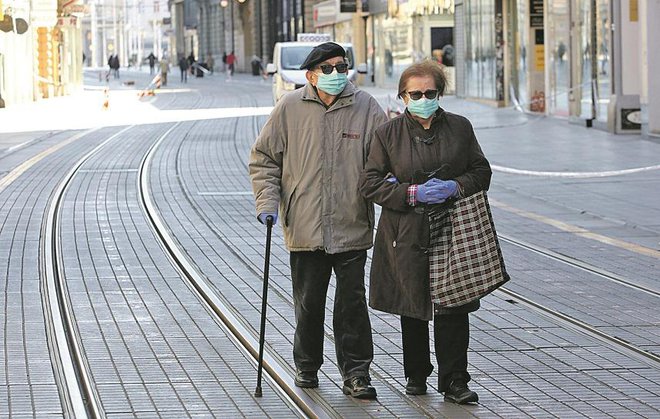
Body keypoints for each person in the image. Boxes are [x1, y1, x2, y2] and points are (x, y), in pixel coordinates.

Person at [249, 42, 388, 400]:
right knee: (309, 302)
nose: (337, 74)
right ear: (311, 75)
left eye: (341, 66)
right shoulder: (290, 107)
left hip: (351, 223)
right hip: (306, 225)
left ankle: (356, 373)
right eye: (328, 68)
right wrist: (268, 201)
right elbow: (265, 158)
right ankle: (307, 364)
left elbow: (384, 161)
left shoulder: (366, 107)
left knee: (352, 305)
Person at [358, 60, 492, 404]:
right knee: (412, 303)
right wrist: (411, 193)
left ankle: (455, 380)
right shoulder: (387, 134)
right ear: (403, 96)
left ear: (440, 93)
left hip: (452, 229)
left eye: (429, 92)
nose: (422, 98)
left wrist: (455, 186)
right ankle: (416, 374)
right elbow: (369, 183)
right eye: (415, 93)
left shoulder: (460, 128)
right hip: (406, 231)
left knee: (453, 305)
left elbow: (481, 171)